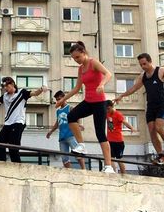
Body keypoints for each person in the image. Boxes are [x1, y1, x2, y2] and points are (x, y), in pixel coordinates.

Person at [114, 53, 164, 165]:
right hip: (151, 106)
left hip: (163, 104)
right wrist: (122, 95)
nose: (143, 66)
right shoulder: (143, 76)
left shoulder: (161, 71)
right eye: (141, 64)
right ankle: (161, 156)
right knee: (152, 131)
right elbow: (134, 88)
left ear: (150, 61)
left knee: (158, 127)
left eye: (144, 64)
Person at [55, 41, 114, 173]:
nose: (76, 60)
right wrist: (62, 100)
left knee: (100, 134)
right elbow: (76, 88)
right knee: (71, 116)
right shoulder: (81, 69)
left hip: (99, 103)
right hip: (88, 102)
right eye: (74, 58)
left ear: (84, 53)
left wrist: (102, 84)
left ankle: (108, 166)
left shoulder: (94, 63)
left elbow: (108, 74)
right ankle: (81, 145)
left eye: (78, 57)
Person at [0, 76, 48, 163]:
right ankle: (1, 162)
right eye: (4, 87)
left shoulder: (22, 93)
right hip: (8, 123)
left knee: (13, 144)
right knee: (0, 142)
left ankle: (16, 164)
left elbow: (34, 93)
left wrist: (42, 88)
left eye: (7, 86)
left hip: (18, 122)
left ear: (12, 84)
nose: (5, 89)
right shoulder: (5, 96)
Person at [46, 90, 86, 169]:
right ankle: (69, 172)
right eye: (57, 100)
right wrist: (50, 132)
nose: (58, 101)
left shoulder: (69, 107)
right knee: (64, 158)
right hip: (62, 137)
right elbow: (57, 123)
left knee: (77, 153)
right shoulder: (58, 111)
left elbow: (77, 116)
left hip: (71, 135)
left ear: (64, 98)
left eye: (59, 99)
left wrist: (79, 125)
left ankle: (84, 169)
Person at [106, 100, 135, 173]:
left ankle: (124, 174)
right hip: (110, 140)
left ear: (112, 107)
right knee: (111, 158)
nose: (108, 110)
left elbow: (124, 122)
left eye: (109, 108)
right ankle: (113, 174)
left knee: (119, 159)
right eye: (106, 109)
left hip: (118, 141)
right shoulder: (106, 114)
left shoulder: (118, 114)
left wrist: (131, 127)